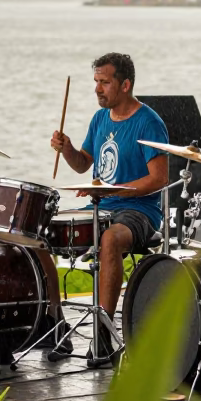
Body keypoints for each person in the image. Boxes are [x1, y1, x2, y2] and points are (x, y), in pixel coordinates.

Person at [47, 53, 169, 363]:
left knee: (110, 239)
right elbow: (82, 165)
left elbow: (160, 179)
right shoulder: (99, 119)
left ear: (125, 84)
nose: (98, 89)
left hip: (140, 211)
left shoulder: (149, 122)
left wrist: (118, 190)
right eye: (96, 82)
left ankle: (103, 333)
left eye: (105, 82)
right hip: (101, 206)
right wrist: (68, 149)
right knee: (40, 233)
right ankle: (55, 325)